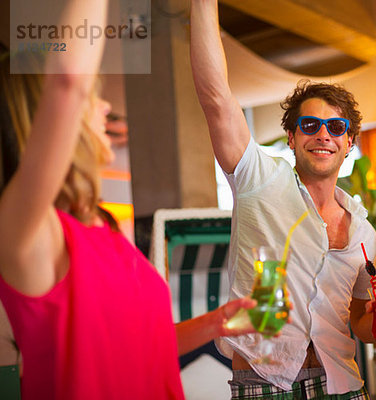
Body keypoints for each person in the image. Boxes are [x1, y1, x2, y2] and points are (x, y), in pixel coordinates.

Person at [0, 2, 258, 399]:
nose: (105, 107)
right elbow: (69, 80)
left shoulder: (104, 228)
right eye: (92, 99)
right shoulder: (25, 231)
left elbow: (145, 345)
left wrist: (218, 322)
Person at [190, 1, 376, 398]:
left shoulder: (364, 232)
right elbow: (216, 98)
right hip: (264, 384)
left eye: (335, 127)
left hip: (343, 385)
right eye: (309, 125)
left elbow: (358, 320)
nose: (323, 135)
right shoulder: (260, 179)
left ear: (348, 143)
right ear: (291, 139)